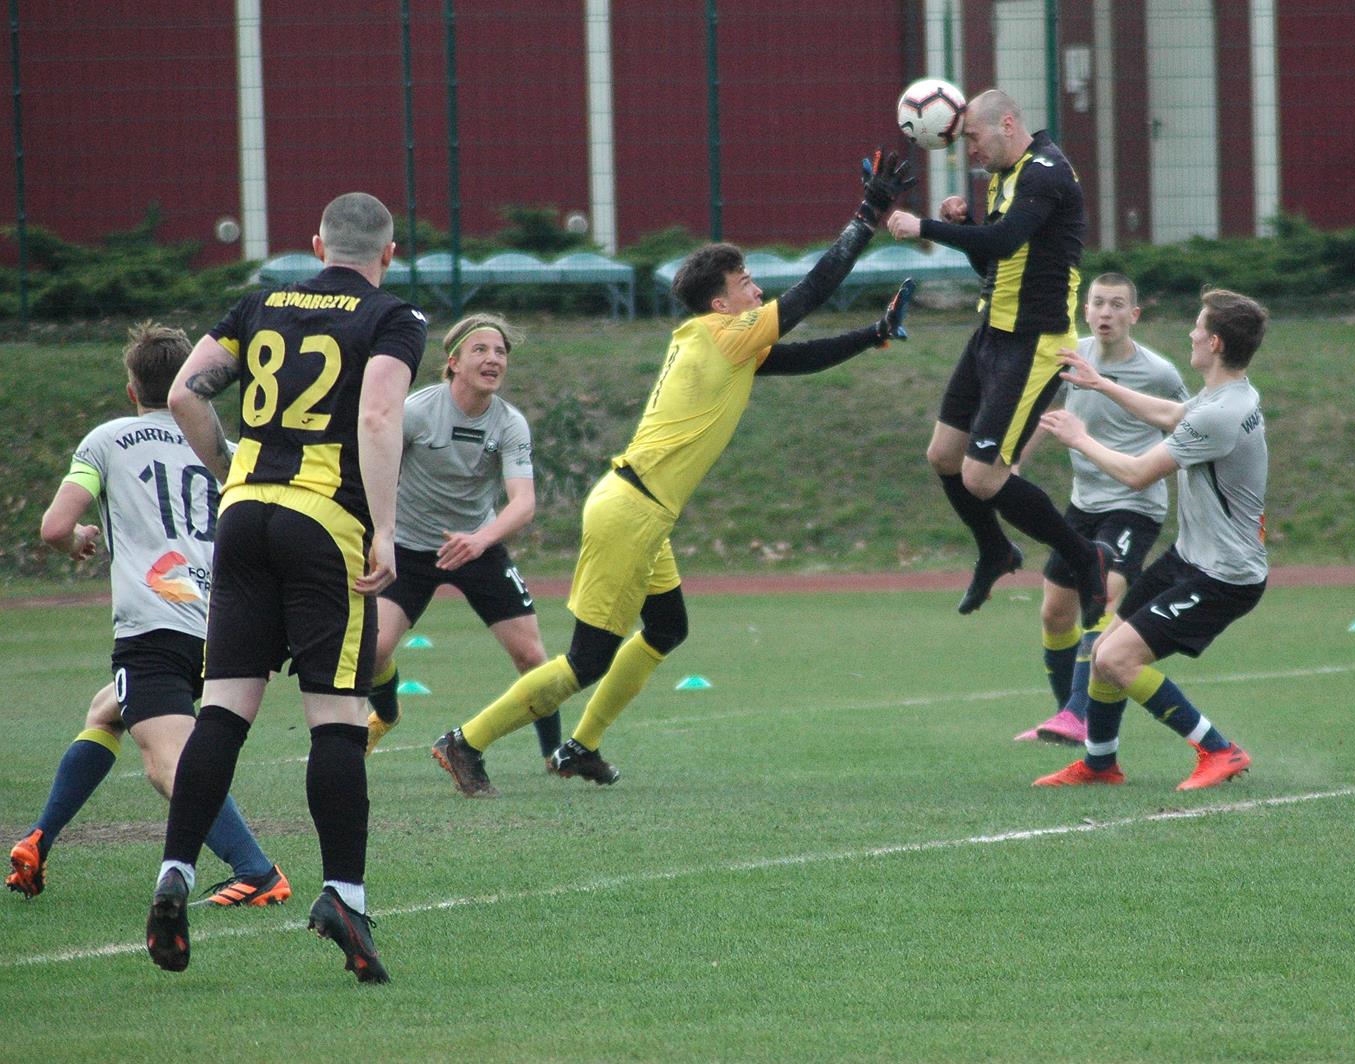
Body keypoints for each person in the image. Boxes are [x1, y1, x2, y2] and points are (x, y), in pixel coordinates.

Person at [430, 151, 917, 797]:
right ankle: (465, 742)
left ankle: (581, 746)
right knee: (584, 661)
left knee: (666, 628)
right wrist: (864, 219)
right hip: (630, 511)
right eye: (746, 284)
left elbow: (794, 357)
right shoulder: (722, 335)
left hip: (641, 509)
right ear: (721, 303)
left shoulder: (714, 341)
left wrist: (871, 333)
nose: (757, 293)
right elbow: (808, 295)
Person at [148, 192, 427, 984]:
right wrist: (381, 525)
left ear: (316, 244)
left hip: (242, 518)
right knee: (337, 718)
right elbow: (377, 418)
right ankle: (343, 895)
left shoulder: (262, 302)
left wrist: (233, 468)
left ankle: (175, 871)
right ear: (389, 253)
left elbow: (183, 394)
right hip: (322, 525)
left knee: (223, 711)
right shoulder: (392, 316)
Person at [7, 323, 290, 908]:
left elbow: (56, 526)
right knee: (107, 709)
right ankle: (39, 839)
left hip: (157, 623)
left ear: (131, 390)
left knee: (169, 766)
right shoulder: (227, 450)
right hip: (226, 623)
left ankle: (257, 870)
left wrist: (78, 539)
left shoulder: (109, 439)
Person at [1031, 288, 1268, 791]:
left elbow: (1138, 474)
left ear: (1217, 343)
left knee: (1117, 659)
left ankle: (1220, 749)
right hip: (1192, 558)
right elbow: (1170, 415)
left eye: (1199, 326)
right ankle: (1099, 764)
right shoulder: (1230, 395)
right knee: (1105, 650)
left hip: (1224, 576)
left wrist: (1079, 437)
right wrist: (1101, 385)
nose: (1192, 333)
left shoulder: (1219, 413)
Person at [886, 89, 1108, 623]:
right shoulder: (1007, 176)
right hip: (993, 335)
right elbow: (996, 266)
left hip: (1036, 344)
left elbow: (1005, 241)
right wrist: (964, 231)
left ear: (1007, 124)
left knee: (982, 477)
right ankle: (995, 550)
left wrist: (928, 229)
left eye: (972, 138)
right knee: (943, 457)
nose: (969, 153)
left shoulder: (1046, 172)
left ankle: (1085, 557)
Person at [364, 312, 561, 765]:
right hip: (410, 548)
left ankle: (555, 754)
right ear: (453, 361)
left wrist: (480, 540)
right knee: (373, 651)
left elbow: (523, 502)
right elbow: (376, 470)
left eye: (500, 352)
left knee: (533, 656)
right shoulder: (417, 412)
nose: (493, 359)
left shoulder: (510, 424)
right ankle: (387, 716)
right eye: (481, 350)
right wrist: (381, 535)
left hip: (477, 546)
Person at [1012, 274, 1188, 745]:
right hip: (1083, 504)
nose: (1106, 312)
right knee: (1054, 613)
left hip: (1134, 504)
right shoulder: (1072, 356)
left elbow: (1191, 429)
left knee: (1103, 595)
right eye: (1098, 304)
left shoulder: (1160, 373)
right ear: (1084, 311)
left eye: (1116, 305)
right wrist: (1011, 466)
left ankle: (1079, 712)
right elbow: (1044, 417)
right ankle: (1066, 716)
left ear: (1134, 315)